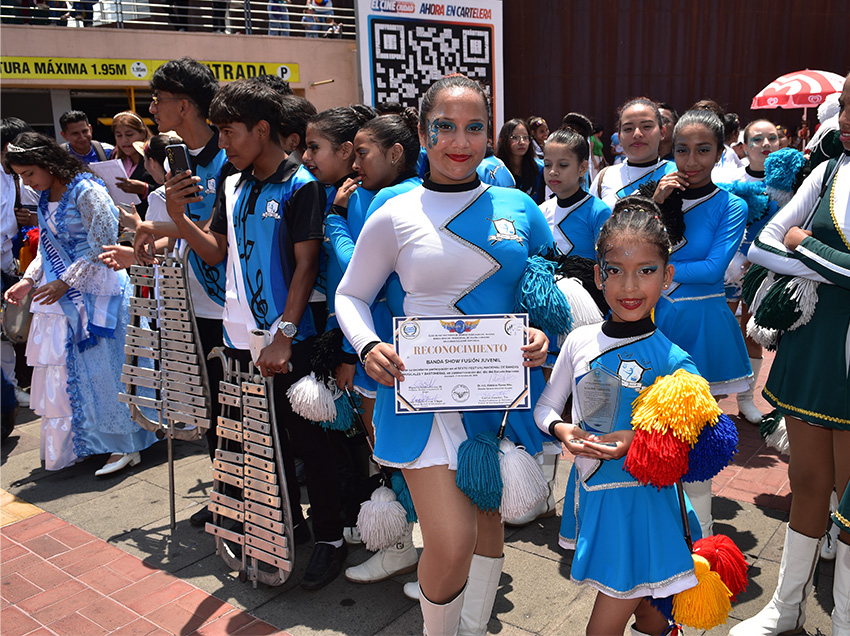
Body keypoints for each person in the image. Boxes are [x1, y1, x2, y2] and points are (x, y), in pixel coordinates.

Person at [335, 74, 553, 636]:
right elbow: (352, 294)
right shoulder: (393, 207)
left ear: (491, 132)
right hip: (419, 396)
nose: (461, 141)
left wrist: (541, 336)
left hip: (495, 397)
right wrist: (368, 344)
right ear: (423, 131)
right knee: (450, 542)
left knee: (488, 522)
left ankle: (473, 624)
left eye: (475, 127)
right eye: (446, 127)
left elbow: (549, 291)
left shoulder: (519, 205)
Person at [135, 78, 347, 590]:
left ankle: (331, 538)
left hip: (293, 340)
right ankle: (282, 525)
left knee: (311, 443)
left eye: (230, 132)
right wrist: (180, 217)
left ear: (262, 128)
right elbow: (215, 252)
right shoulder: (232, 182)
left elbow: (305, 265)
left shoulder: (303, 187)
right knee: (260, 438)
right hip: (239, 342)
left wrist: (284, 333)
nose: (223, 142)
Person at [535, 197, 701, 636]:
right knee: (647, 606)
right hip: (593, 489)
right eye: (615, 270)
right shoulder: (578, 341)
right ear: (597, 274)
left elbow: (698, 441)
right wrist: (561, 428)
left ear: (667, 277)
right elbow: (546, 407)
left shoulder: (675, 361)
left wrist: (636, 437)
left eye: (647, 270)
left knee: (602, 626)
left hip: (640, 501)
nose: (630, 286)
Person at [733, 72, 850, 636]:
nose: (846, 122)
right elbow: (763, 243)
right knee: (806, 481)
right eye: (845, 107)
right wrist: (822, 262)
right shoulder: (826, 170)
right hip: (812, 344)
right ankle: (785, 608)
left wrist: (807, 247)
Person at [3, 132, 158, 474]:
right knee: (84, 375)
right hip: (68, 296)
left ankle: (126, 444)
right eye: (21, 176)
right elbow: (46, 248)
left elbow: (101, 246)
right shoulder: (45, 198)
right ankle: (94, 440)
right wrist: (28, 281)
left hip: (102, 293)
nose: (26, 182)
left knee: (113, 370)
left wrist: (64, 281)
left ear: (46, 164)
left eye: (29, 174)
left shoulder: (88, 190)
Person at [318, 111, 424, 585]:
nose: (353, 162)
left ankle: (402, 543)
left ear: (395, 154)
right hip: (389, 344)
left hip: (385, 347)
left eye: (361, 152)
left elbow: (355, 270)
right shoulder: (392, 193)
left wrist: (335, 223)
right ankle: (407, 539)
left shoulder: (384, 199)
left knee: (391, 450)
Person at [651, 109, 750, 538]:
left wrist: (658, 269)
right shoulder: (653, 196)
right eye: (682, 150)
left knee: (696, 432)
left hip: (704, 327)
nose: (690, 161)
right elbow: (626, 247)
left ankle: (702, 535)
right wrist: (653, 206)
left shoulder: (732, 205)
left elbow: (713, 269)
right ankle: (664, 524)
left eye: (703, 150)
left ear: (719, 151)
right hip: (655, 322)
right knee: (654, 425)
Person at [139, 57, 228, 528]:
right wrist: (156, 231)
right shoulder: (182, 160)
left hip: (233, 304)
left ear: (186, 104)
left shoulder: (229, 157)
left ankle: (254, 499)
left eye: (159, 99)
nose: (153, 107)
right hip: (194, 299)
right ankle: (225, 491)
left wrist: (162, 224)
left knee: (238, 408)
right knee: (210, 406)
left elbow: (212, 237)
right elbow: (187, 227)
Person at [723, 119, 780, 424]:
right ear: (744, 146)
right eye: (758, 139)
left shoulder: (787, 185)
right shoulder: (729, 181)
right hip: (728, 272)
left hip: (765, 273)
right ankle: (710, 395)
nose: (766, 144)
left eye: (772, 138)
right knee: (720, 330)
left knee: (753, 333)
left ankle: (746, 400)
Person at [539, 113, 611, 259]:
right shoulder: (542, 210)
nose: (553, 172)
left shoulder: (598, 212)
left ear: (583, 168)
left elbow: (607, 265)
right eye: (547, 164)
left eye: (563, 165)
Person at [591, 98, 676, 210]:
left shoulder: (675, 174)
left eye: (646, 126)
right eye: (628, 129)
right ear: (620, 138)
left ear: (662, 132)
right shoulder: (605, 177)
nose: (637, 134)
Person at [109, 111, 156, 218]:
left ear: (143, 133)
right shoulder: (114, 157)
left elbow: (167, 189)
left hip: (149, 222)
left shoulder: (155, 157)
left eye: (129, 134)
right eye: (119, 135)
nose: (124, 140)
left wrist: (145, 189)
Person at [495, 118, 545, 203]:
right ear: (502, 140)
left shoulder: (540, 168)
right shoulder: (495, 171)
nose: (521, 142)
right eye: (515, 138)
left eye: (525, 138)